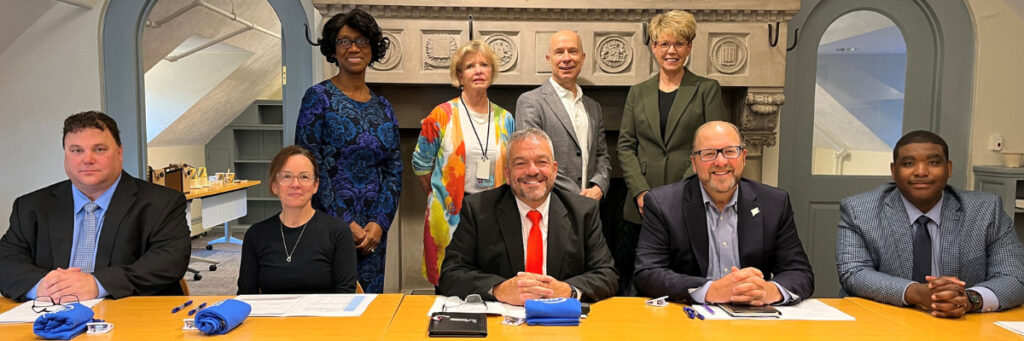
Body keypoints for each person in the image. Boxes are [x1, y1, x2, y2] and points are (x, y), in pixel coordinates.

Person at [0, 111, 190, 302]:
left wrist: (97, 284)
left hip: (129, 315)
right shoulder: (30, 206)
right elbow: (6, 261)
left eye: (99, 149)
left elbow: (169, 261)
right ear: (65, 155)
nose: (87, 159)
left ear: (119, 152)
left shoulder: (162, 203)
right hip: (49, 314)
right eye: (76, 150)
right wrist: (43, 287)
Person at [837, 130, 1024, 318]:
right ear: (893, 171)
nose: (921, 172)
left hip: (961, 325)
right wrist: (916, 293)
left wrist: (969, 300)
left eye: (933, 163)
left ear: (949, 168)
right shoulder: (859, 210)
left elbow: (1015, 277)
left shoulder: (986, 210)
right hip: (885, 321)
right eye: (909, 163)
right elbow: (854, 273)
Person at [634, 121, 813, 305]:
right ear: (694, 163)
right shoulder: (662, 204)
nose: (721, 162)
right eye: (709, 154)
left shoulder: (774, 203)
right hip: (690, 319)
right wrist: (710, 290)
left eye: (729, 151)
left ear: (743, 156)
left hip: (756, 318)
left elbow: (799, 272)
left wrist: (770, 291)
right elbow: (647, 273)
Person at [616, 10, 728, 294]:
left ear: (689, 46)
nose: (671, 51)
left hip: (689, 200)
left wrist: (679, 192)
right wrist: (641, 192)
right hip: (641, 205)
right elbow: (626, 146)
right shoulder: (637, 92)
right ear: (653, 47)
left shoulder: (706, 90)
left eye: (679, 44)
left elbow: (713, 148)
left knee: (683, 285)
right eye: (664, 44)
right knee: (636, 284)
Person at [439, 128, 618, 305]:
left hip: (563, 322)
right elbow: (451, 274)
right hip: (502, 324)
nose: (532, 171)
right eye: (520, 163)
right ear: (507, 174)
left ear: (554, 170)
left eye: (541, 162)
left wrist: (568, 290)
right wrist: (499, 289)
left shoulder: (583, 211)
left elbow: (607, 274)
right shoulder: (478, 210)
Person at [296, 8, 401, 293]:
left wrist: (378, 224)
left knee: (367, 307)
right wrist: (347, 224)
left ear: (372, 48)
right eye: (344, 41)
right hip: (328, 226)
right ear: (333, 48)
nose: (353, 47)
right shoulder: (318, 98)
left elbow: (393, 171)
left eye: (362, 40)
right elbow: (308, 169)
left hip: (373, 234)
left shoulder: (384, 108)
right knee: (330, 311)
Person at [413, 40, 516, 286]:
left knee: (492, 285)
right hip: (450, 214)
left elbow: (511, 167)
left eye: (484, 65)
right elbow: (421, 165)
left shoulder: (506, 119)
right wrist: (437, 195)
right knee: (450, 284)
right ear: (459, 75)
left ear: (492, 72)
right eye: (470, 66)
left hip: (494, 213)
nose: (478, 71)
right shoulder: (440, 115)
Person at [237, 146, 358, 294]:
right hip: (271, 317)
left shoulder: (338, 232)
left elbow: (346, 295)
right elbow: (246, 296)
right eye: (287, 176)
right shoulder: (256, 234)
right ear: (274, 185)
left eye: (304, 177)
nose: (295, 184)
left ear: (316, 185)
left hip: (323, 316)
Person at [515, 30, 611, 201]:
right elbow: (534, 160)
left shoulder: (593, 107)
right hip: (550, 205)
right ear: (548, 59)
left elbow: (602, 155)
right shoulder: (531, 102)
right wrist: (577, 196)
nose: (566, 58)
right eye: (559, 52)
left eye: (573, 51)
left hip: (591, 207)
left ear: (582, 57)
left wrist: (598, 187)